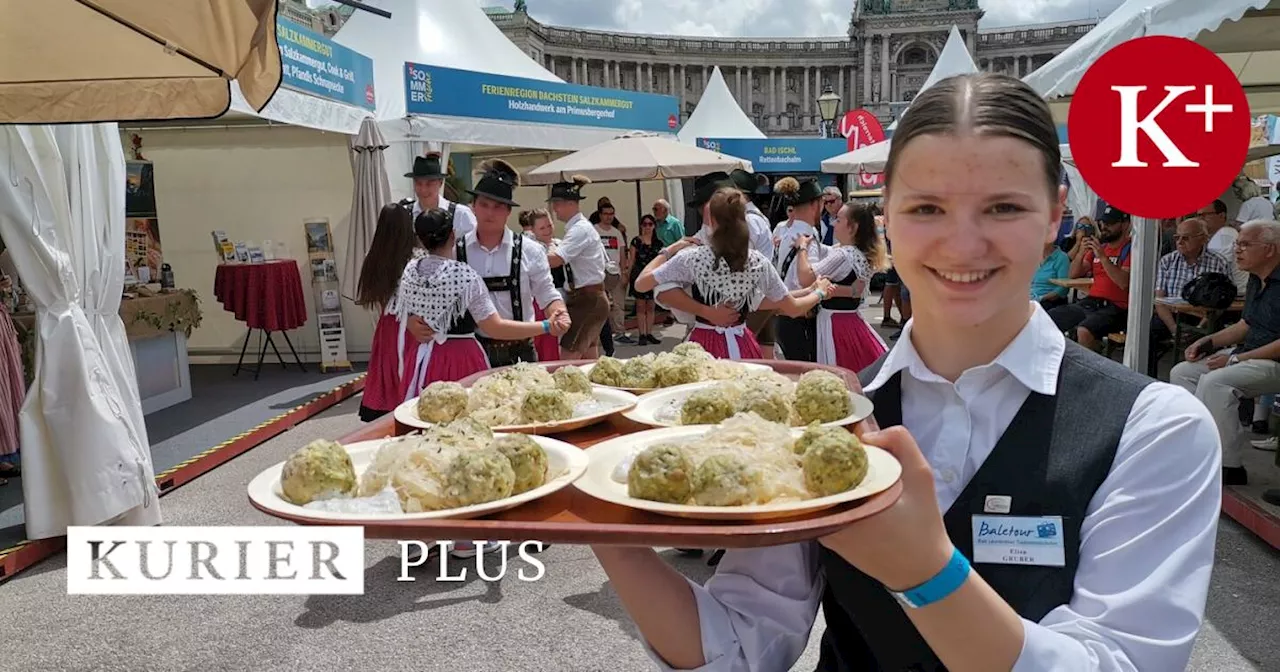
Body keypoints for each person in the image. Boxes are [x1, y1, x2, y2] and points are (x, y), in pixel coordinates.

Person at [593, 72, 1221, 672]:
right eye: (926, 208)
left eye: (1004, 207)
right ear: (886, 212)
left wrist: (928, 573)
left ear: (1056, 213)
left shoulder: (1154, 429)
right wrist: (598, 512)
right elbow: (738, 647)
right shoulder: (825, 420)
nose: (963, 243)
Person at [636, 185, 831, 359]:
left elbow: (642, 283)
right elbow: (792, 307)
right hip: (742, 343)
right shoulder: (757, 261)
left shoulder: (692, 257)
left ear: (710, 220)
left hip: (703, 348)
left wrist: (669, 250)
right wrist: (818, 292)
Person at [394, 208, 564, 399]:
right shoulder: (464, 275)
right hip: (461, 357)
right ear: (452, 235)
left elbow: (401, 309)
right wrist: (546, 326)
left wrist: (411, 323)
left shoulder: (411, 270)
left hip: (423, 357)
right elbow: (494, 327)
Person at [1172, 219, 1280, 487]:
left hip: (1272, 361)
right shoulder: (1257, 280)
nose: (1237, 250)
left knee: (1216, 381)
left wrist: (1234, 359)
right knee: (1182, 372)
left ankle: (1228, 466)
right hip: (1248, 355)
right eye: (1237, 244)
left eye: (1244, 244)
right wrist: (1207, 342)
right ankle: (1194, 452)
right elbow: (1245, 325)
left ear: (1269, 249)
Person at [454, 159, 567, 367]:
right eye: (484, 205)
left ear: (508, 211)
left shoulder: (529, 250)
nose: (490, 213)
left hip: (521, 352)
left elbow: (547, 294)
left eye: (497, 207)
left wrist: (559, 312)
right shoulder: (455, 251)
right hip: (473, 353)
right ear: (473, 207)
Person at [795, 201, 889, 373]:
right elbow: (856, 290)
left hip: (835, 323)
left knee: (838, 370)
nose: (833, 223)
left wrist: (801, 248)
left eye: (838, 220)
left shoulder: (844, 254)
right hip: (852, 320)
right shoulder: (860, 252)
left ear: (852, 227)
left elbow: (805, 278)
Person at [354, 203, 422, 422]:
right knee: (407, 370)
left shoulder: (374, 257)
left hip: (387, 325)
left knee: (387, 368)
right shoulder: (416, 257)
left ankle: (384, 409)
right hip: (410, 324)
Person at [1150, 217, 1233, 372]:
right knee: (1149, 332)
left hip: (1206, 316)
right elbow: (1159, 300)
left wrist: (1199, 327)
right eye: (1177, 237)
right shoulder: (1167, 261)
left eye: (1185, 238)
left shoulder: (1218, 262)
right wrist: (1174, 329)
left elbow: (1224, 301)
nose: (1180, 242)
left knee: (1215, 334)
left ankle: (1202, 379)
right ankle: (1150, 380)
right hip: (1171, 315)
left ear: (1203, 239)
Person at [1048, 205, 1133, 350]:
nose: (1104, 227)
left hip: (1116, 307)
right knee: (1050, 318)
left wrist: (1103, 258)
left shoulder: (1130, 249)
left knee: (1084, 331)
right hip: (1091, 302)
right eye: (1103, 223)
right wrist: (1081, 252)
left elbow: (1123, 282)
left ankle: (1093, 367)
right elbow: (1072, 275)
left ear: (1125, 225)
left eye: (1110, 224)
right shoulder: (1099, 247)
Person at [546, 176, 611, 360]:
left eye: (557, 204)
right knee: (589, 358)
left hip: (587, 300)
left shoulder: (579, 230)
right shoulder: (579, 228)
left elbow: (556, 259)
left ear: (569, 204)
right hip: (589, 298)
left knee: (568, 358)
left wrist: (527, 257)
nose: (555, 209)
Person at [771, 176, 825, 362]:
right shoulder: (807, 235)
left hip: (784, 315)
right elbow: (807, 279)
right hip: (801, 316)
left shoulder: (786, 232)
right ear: (815, 204)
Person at [731, 169, 779, 359]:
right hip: (762, 292)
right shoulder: (757, 218)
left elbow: (743, 261)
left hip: (754, 296)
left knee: (742, 349)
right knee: (765, 350)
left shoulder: (749, 220)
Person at [522, 208, 564, 362]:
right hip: (537, 302)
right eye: (542, 228)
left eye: (549, 225)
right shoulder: (531, 250)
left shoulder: (559, 244)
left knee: (552, 346)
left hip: (559, 299)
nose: (547, 230)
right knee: (542, 345)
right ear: (532, 230)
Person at [405, 152, 476, 240]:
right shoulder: (404, 215)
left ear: (441, 183)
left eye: (429, 184)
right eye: (418, 183)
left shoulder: (461, 215)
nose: (423, 189)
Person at [594, 198, 632, 344]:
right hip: (598, 274)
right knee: (600, 305)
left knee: (618, 305)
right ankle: (600, 335)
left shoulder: (617, 232)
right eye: (606, 214)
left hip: (616, 273)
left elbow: (622, 253)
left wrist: (624, 272)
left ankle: (620, 333)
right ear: (600, 215)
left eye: (611, 214)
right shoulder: (594, 230)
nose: (609, 217)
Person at [628, 214, 664, 345]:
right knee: (640, 306)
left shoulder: (658, 243)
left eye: (650, 224)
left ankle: (649, 333)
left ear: (654, 226)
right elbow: (631, 260)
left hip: (653, 276)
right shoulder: (636, 241)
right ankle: (642, 334)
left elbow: (661, 262)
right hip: (639, 275)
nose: (647, 227)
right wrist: (627, 274)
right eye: (645, 224)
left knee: (651, 306)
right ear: (641, 226)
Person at [1031, 239, 1071, 310]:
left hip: (1050, 302)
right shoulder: (1033, 256)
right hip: (1031, 299)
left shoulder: (1062, 258)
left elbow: (1063, 289)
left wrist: (1041, 298)